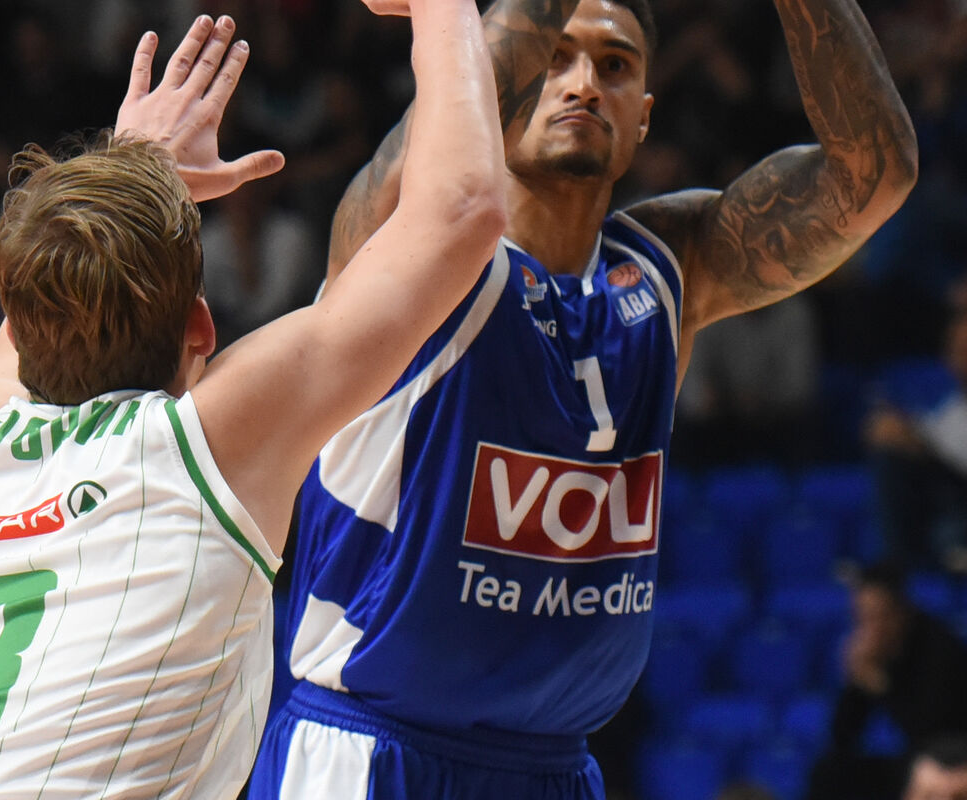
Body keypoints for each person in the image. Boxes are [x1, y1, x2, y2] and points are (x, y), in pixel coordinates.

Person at [0, 2, 507, 798]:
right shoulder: (202, 450)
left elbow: (44, 289)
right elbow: (463, 211)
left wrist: (138, 168)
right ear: (203, 328)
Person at [248, 0, 918, 796]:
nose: (583, 84)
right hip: (372, 752)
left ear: (644, 117)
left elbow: (874, 176)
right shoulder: (409, 251)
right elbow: (446, 132)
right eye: (554, 57)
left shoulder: (670, 268)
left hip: (555, 767)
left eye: (615, 65)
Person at [805, 563, 967, 800]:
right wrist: (855, 681)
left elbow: (929, 731)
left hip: (952, 757)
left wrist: (880, 686)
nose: (871, 627)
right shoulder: (873, 652)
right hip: (911, 759)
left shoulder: (941, 649)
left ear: (899, 612)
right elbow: (842, 738)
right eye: (863, 617)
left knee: (926, 768)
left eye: (878, 616)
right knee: (830, 771)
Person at [866, 310, 967, 573]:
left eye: (964, 350)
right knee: (891, 457)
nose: (958, 359)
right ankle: (897, 565)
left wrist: (919, 444)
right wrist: (905, 435)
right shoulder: (951, 405)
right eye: (954, 349)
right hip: (945, 507)